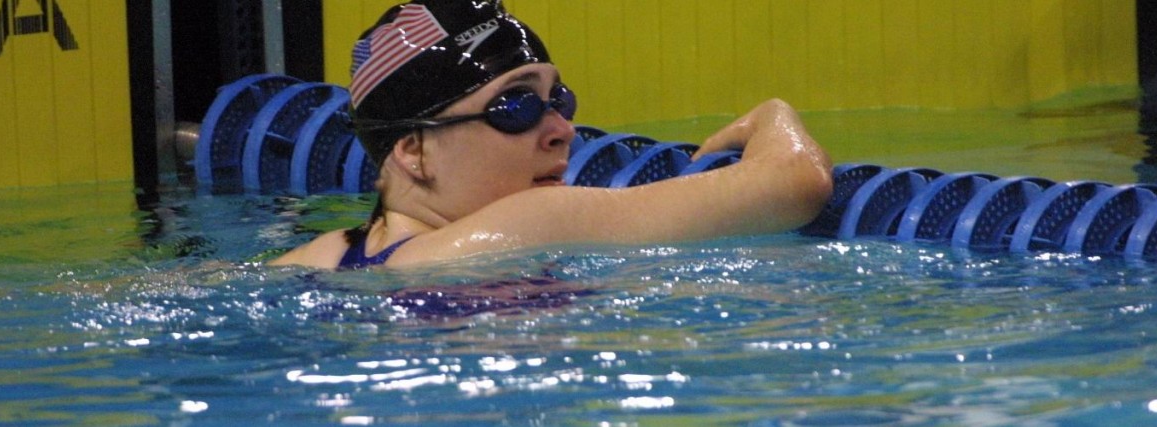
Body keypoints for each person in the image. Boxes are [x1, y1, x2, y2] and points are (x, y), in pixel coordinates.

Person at [270, 0, 832, 270]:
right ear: (414, 150)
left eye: (558, 100)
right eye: (515, 107)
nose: (562, 130)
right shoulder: (536, 222)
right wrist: (771, 116)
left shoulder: (320, 258)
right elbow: (795, 180)